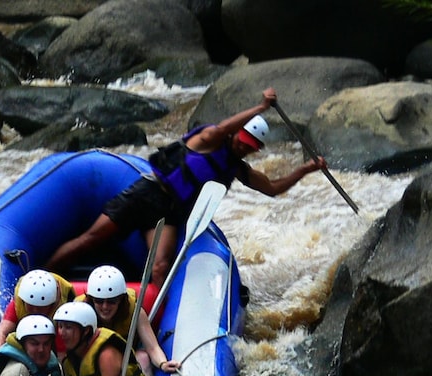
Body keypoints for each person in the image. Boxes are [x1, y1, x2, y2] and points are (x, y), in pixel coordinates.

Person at [45, 87, 327, 288]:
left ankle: (155, 323)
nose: (245, 146)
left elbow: (273, 189)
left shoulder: (238, 168)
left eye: (252, 146)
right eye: (243, 139)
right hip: (147, 193)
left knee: (160, 267)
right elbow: (225, 125)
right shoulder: (210, 138)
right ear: (237, 133)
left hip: (169, 213)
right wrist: (261, 107)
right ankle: (47, 273)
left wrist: (305, 169)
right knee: (91, 238)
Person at [78, 265, 180, 376]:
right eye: (99, 301)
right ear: (91, 299)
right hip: (94, 362)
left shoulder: (136, 312)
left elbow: (152, 347)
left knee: (143, 358)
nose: (105, 307)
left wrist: (163, 364)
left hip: (127, 359)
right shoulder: (80, 314)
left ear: (121, 300)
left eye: (112, 301)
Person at [0, 269, 75, 366]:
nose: (35, 311)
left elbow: (61, 353)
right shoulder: (20, 301)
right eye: (31, 306)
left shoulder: (63, 312)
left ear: (52, 304)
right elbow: (2, 332)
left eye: (41, 307)